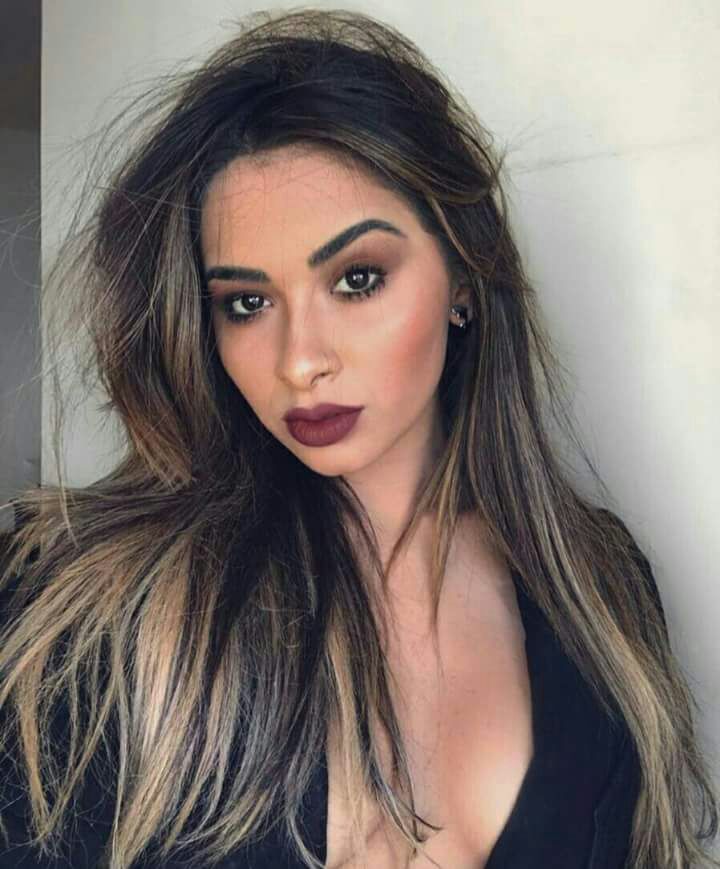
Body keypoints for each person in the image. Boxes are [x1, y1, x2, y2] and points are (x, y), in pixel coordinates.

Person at [0, 8, 717, 869]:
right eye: (247, 303)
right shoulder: (98, 610)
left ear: (462, 276)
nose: (300, 359)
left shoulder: (601, 586)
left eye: (357, 279)